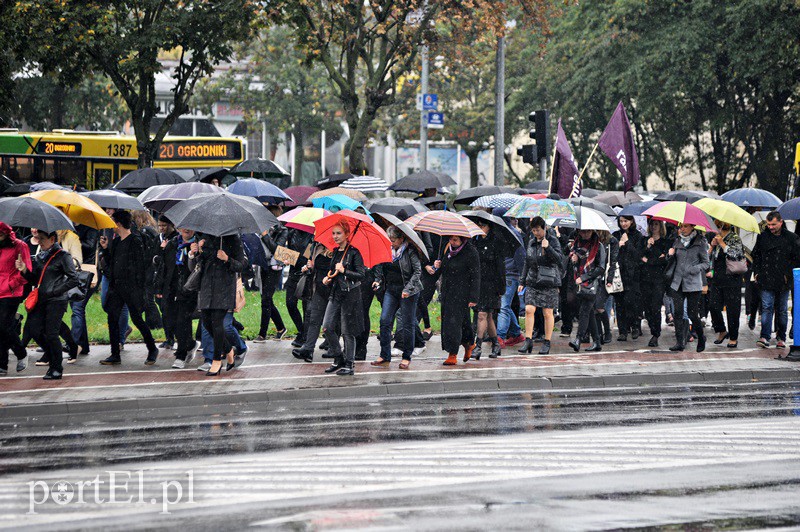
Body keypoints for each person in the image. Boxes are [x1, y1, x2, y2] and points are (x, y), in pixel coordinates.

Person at [98, 210, 160, 366]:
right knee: (112, 318)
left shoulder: (135, 241)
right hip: (117, 286)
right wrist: (105, 249)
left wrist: (139, 289)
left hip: (132, 288)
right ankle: (115, 354)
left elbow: (141, 266)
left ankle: (152, 348)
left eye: (113, 221)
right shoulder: (117, 241)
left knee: (137, 319)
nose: (111, 225)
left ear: (118, 223)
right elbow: (112, 262)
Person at [16, 230, 79, 380]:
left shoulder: (63, 256)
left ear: (52, 239)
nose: (39, 242)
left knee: (51, 333)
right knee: (34, 330)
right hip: (41, 299)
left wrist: (55, 290)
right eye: (38, 238)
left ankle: (56, 367)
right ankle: (53, 356)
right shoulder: (40, 257)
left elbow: (74, 279)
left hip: (57, 301)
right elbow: (35, 280)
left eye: (42, 239)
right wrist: (24, 269)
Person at [190, 233, 246, 376]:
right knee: (207, 323)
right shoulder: (203, 238)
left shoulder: (233, 238)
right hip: (206, 286)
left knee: (217, 323)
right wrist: (194, 253)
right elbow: (194, 267)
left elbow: (241, 265)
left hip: (224, 287)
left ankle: (216, 361)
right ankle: (228, 349)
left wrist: (227, 259)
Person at [371, 226, 423, 369]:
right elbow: (380, 267)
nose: (391, 243)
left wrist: (407, 289)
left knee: (407, 324)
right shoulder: (387, 250)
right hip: (391, 289)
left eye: (393, 240)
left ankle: (406, 356)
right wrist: (378, 280)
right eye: (389, 240)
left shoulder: (410, 251)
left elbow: (417, 272)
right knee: (385, 320)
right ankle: (384, 354)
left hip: (409, 291)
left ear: (401, 239)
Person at [320, 222, 366, 376]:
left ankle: (349, 363)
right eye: (333, 233)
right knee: (326, 327)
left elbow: (361, 275)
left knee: (348, 330)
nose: (335, 236)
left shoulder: (354, 253)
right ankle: (339, 357)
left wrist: (345, 270)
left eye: (338, 233)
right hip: (336, 293)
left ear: (347, 234)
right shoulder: (335, 252)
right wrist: (328, 278)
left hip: (350, 295)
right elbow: (334, 273)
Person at [751, 211, 799, 349]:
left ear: (780, 222)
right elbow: (757, 255)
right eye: (768, 224)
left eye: (773, 224)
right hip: (766, 278)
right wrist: (757, 272)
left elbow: (796, 259)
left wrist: (787, 274)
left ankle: (781, 337)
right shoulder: (763, 237)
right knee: (767, 307)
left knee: (782, 310)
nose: (770, 227)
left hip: (783, 279)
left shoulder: (791, 238)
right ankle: (765, 336)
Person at [518, 217, 564, 355]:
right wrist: (522, 281)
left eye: (538, 230)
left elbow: (559, 259)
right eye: (533, 230)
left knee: (547, 312)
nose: (536, 233)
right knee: (529, 309)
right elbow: (527, 261)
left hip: (548, 281)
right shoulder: (531, 242)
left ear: (544, 228)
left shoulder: (553, 240)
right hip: (533, 281)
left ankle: (547, 341)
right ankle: (528, 339)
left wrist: (548, 248)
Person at [155, 227, 199, 369]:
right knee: (169, 320)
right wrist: (160, 287)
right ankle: (191, 344)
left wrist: (194, 253)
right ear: (178, 228)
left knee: (183, 321)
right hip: (171, 289)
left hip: (189, 289)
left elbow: (198, 268)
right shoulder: (173, 243)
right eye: (183, 226)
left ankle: (181, 355)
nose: (187, 229)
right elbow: (164, 267)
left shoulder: (199, 244)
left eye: (190, 227)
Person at [434, 235, 480, 365]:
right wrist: (439, 265)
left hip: (462, 292)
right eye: (451, 239)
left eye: (455, 240)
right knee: (463, 321)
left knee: (452, 323)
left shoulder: (471, 252)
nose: (452, 242)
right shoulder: (448, 250)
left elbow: (476, 276)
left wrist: (473, 297)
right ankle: (469, 344)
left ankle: (452, 353)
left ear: (462, 240)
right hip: (448, 291)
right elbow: (445, 268)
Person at [666, 223, 709, 352]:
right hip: (677, 281)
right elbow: (671, 260)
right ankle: (680, 342)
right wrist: (670, 255)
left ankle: (701, 338)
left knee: (692, 314)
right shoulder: (677, 241)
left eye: (685, 226)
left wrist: (694, 269)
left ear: (692, 227)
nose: (682, 229)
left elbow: (706, 263)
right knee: (677, 313)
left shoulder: (700, 242)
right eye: (681, 227)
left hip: (693, 282)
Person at [291, 241, 333, 362]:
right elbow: (311, 265)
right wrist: (309, 267)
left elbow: (339, 268)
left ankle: (337, 350)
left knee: (330, 323)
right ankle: (308, 350)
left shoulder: (338, 248)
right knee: (313, 319)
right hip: (318, 288)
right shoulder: (315, 245)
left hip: (333, 290)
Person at [707, 219, 745, 348]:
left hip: (732, 279)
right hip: (717, 278)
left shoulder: (734, 238)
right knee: (713, 306)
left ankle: (733, 337)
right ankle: (722, 330)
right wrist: (712, 246)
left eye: (716, 227)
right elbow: (709, 258)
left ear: (722, 226)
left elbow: (737, 254)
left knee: (732, 309)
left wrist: (723, 244)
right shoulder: (715, 238)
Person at [0, 222, 32, 375]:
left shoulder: (20, 246)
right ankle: (2, 364)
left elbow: (27, 271)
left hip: (11, 292)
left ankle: (21, 353)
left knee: (4, 326)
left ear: (7, 234)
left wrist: (11, 284)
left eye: (1, 235)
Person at [472, 219, 506, 359]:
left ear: (489, 226)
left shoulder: (496, 242)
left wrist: (501, 289)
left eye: (483, 225)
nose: (480, 228)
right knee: (488, 317)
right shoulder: (474, 241)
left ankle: (477, 346)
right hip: (478, 284)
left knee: (482, 315)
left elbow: (500, 268)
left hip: (491, 285)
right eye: (478, 225)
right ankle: (495, 344)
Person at [567, 229, 606, 352]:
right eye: (583, 232)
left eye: (588, 231)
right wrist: (574, 261)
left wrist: (585, 277)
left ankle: (578, 339)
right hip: (579, 284)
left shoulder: (598, 246)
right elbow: (573, 265)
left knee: (584, 310)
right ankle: (597, 342)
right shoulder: (576, 245)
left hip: (592, 284)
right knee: (588, 313)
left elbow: (601, 268)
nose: (585, 234)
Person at [255, 208, 288, 342]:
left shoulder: (283, 230)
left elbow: (277, 250)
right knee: (266, 298)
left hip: (275, 267)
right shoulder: (262, 229)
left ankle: (262, 334)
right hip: (263, 265)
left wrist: (265, 236)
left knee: (266, 299)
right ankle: (281, 327)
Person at [640, 220, 671, 347]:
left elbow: (664, 260)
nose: (653, 226)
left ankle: (655, 334)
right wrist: (647, 247)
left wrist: (649, 261)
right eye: (652, 224)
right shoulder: (644, 241)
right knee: (647, 309)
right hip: (645, 279)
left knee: (656, 307)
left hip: (659, 279)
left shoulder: (665, 242)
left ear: (661, 226)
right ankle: (653, 328)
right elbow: (639, 257)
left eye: (656, 224)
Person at [613, 215, 644, 341]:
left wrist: (628, 243)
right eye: (621, 221)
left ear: (631, 221)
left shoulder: (638, 236)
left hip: (633, 274)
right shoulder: (616, 234)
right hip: (619, 273)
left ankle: (635, 326)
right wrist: (618, 246)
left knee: (631, 301)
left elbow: (638, 255)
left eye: (626, 221)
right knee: (619, 303)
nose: (623, 224)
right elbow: (611, 253)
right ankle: (623, 330)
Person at [285, 227, 314, 348]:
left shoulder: (312, 236)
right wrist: (287, 257)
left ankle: (305, 336)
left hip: (306, 274)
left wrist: (293, 258)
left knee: (306, 308)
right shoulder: (291, 233)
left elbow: (306, 257)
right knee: (290, 303)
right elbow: (285, 252)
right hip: (293, 274)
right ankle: (301, 330)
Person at [155, 215, 178, 349]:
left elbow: (168, 261)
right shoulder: (160, 238)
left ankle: (172, 338)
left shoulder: (175, 239)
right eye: (160, 226)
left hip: (171, 280)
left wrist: (164, 250)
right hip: (162, 279)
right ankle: (169, 337)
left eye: (164, 225)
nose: (162, 228)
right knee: (164, 310)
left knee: (170, 311)